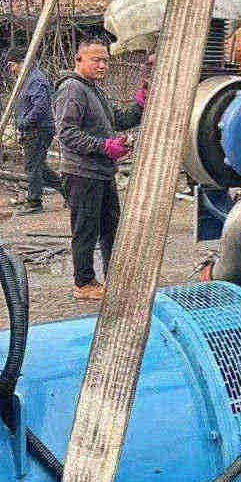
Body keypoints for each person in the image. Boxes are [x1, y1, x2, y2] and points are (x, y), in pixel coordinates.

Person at [54, 34, 145, 301]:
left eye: (105, 60)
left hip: (101, 172)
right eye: (96, 60)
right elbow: (67, 133)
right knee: (85, 230)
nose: (102, 65)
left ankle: (114, 278)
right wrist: (105, 146)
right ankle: (83, 283)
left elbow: (117, 119)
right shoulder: (72, 89)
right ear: (78, 59)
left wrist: (140, 104)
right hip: (82, 173)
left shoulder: (94, 89)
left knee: (110, 229)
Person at [4, 44, 62, 214]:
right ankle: (69, 192)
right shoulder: (27, 78)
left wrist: (25, 122)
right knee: (38, 167)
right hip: (34, 129)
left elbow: (40, 106)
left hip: (38, 129)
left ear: (22, 62)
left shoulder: (35, 80)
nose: (12, 69)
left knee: (33, 167)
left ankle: (34, 202)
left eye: (12, 65)